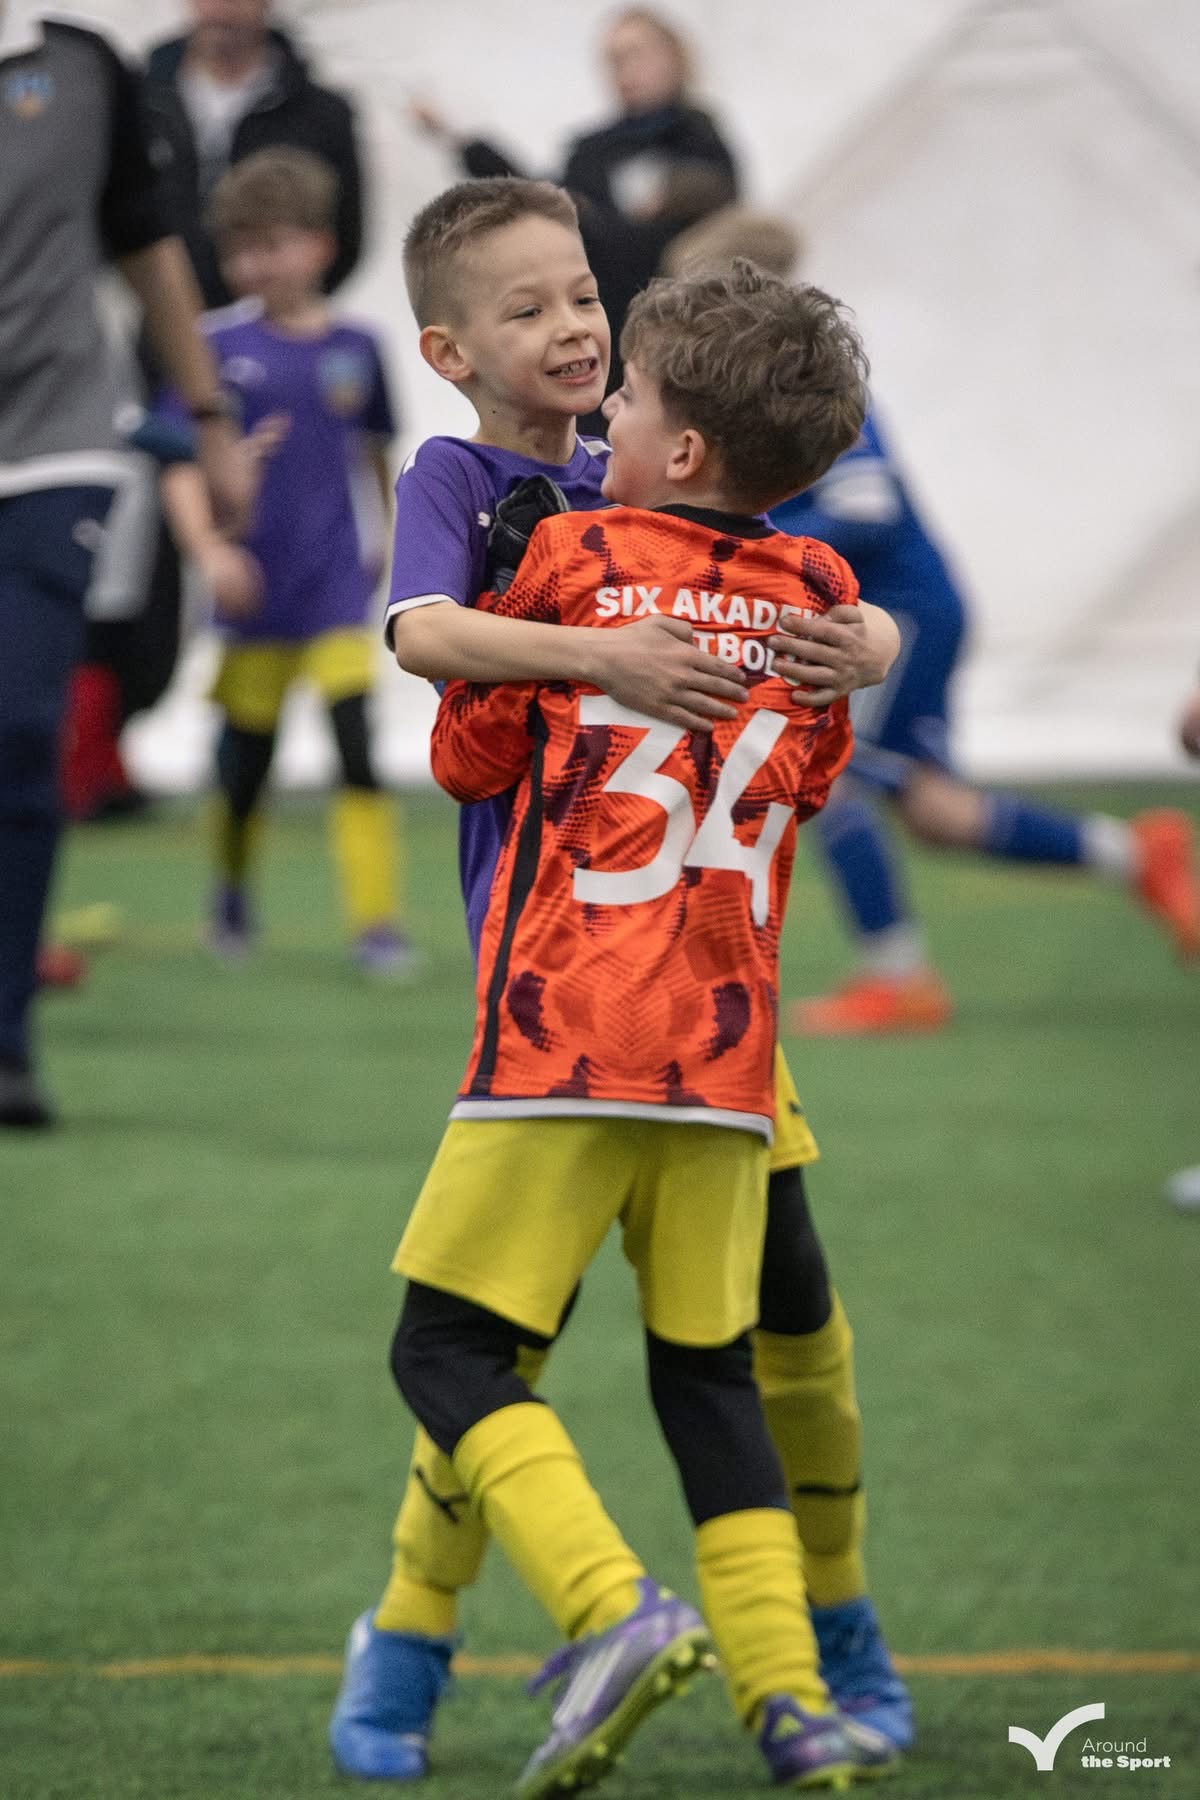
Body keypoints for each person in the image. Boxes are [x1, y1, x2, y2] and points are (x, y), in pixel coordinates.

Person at [329, 178, 912, 1785]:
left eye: (585, 295)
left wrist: (867, 641)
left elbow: (797, 591)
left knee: (788, 1335)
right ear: (450, 352)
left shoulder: (622, 497)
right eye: (528, 309)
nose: (578, 331)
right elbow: (422, 633)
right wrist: (630, 656)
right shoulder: (468, 481)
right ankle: (414, 1644)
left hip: (621, 1014)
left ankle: (814, 1645)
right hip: (620, 994)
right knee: (613, 1356)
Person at [669, 206, 1200, 1033]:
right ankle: (1137, 854)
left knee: (831, 774)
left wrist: (747, 544)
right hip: (896, 609)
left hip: (899, 612)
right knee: (933, 811)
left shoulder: (805, 384)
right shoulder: (756, 393)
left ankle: (899, 977)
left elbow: (868, 506)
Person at [0, 0, 251, 1129]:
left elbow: (146, 244)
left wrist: (208, 417)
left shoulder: (81, 65)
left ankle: (5, 1040)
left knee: (22, 730)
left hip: (54, 445)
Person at [158, 148, 411, 974]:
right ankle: (231, 895)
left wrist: (392, 545)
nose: (253, 264)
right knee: (247, 764)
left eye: (271, 244)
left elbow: (376, 453)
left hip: (334, 582)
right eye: (239, 249)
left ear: (319, 246)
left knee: (356, 748)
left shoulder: (359, 347)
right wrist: (209, 551)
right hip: (254, 588)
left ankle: (377, 923)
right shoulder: (211, 346)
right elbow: (180, 465)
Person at [412, 8, 737, 425]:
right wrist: (465, 144)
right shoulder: (593, 150)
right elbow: (544, 205)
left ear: (673, 55)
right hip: (601, 344)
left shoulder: (703, 142)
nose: (624, 70)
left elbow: (712, 238)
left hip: (680, 348)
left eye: (635, 54)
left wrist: (607, 221)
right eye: (613, 60)